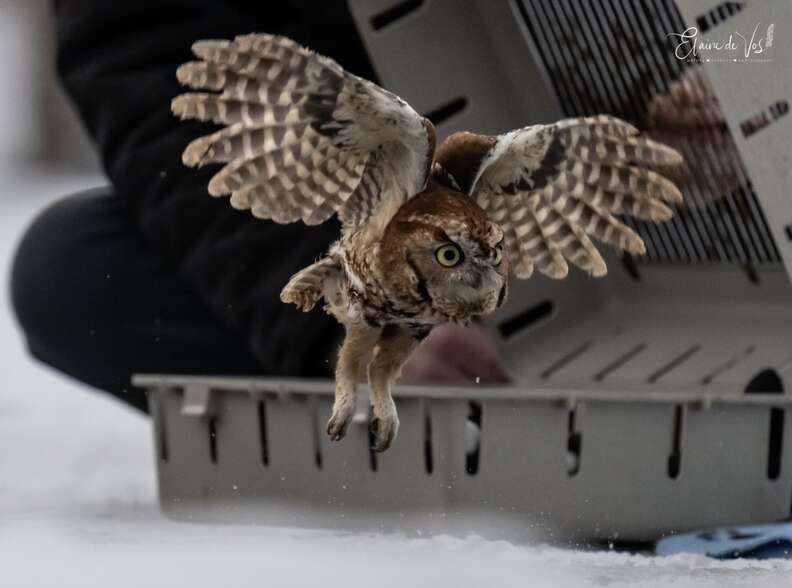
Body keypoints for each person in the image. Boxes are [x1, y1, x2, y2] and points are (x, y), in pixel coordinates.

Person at [10, 0, 508, 414]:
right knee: (74, 271)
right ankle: (392, 408)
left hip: (553, 186)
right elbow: (167, 104)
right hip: (363, 222)